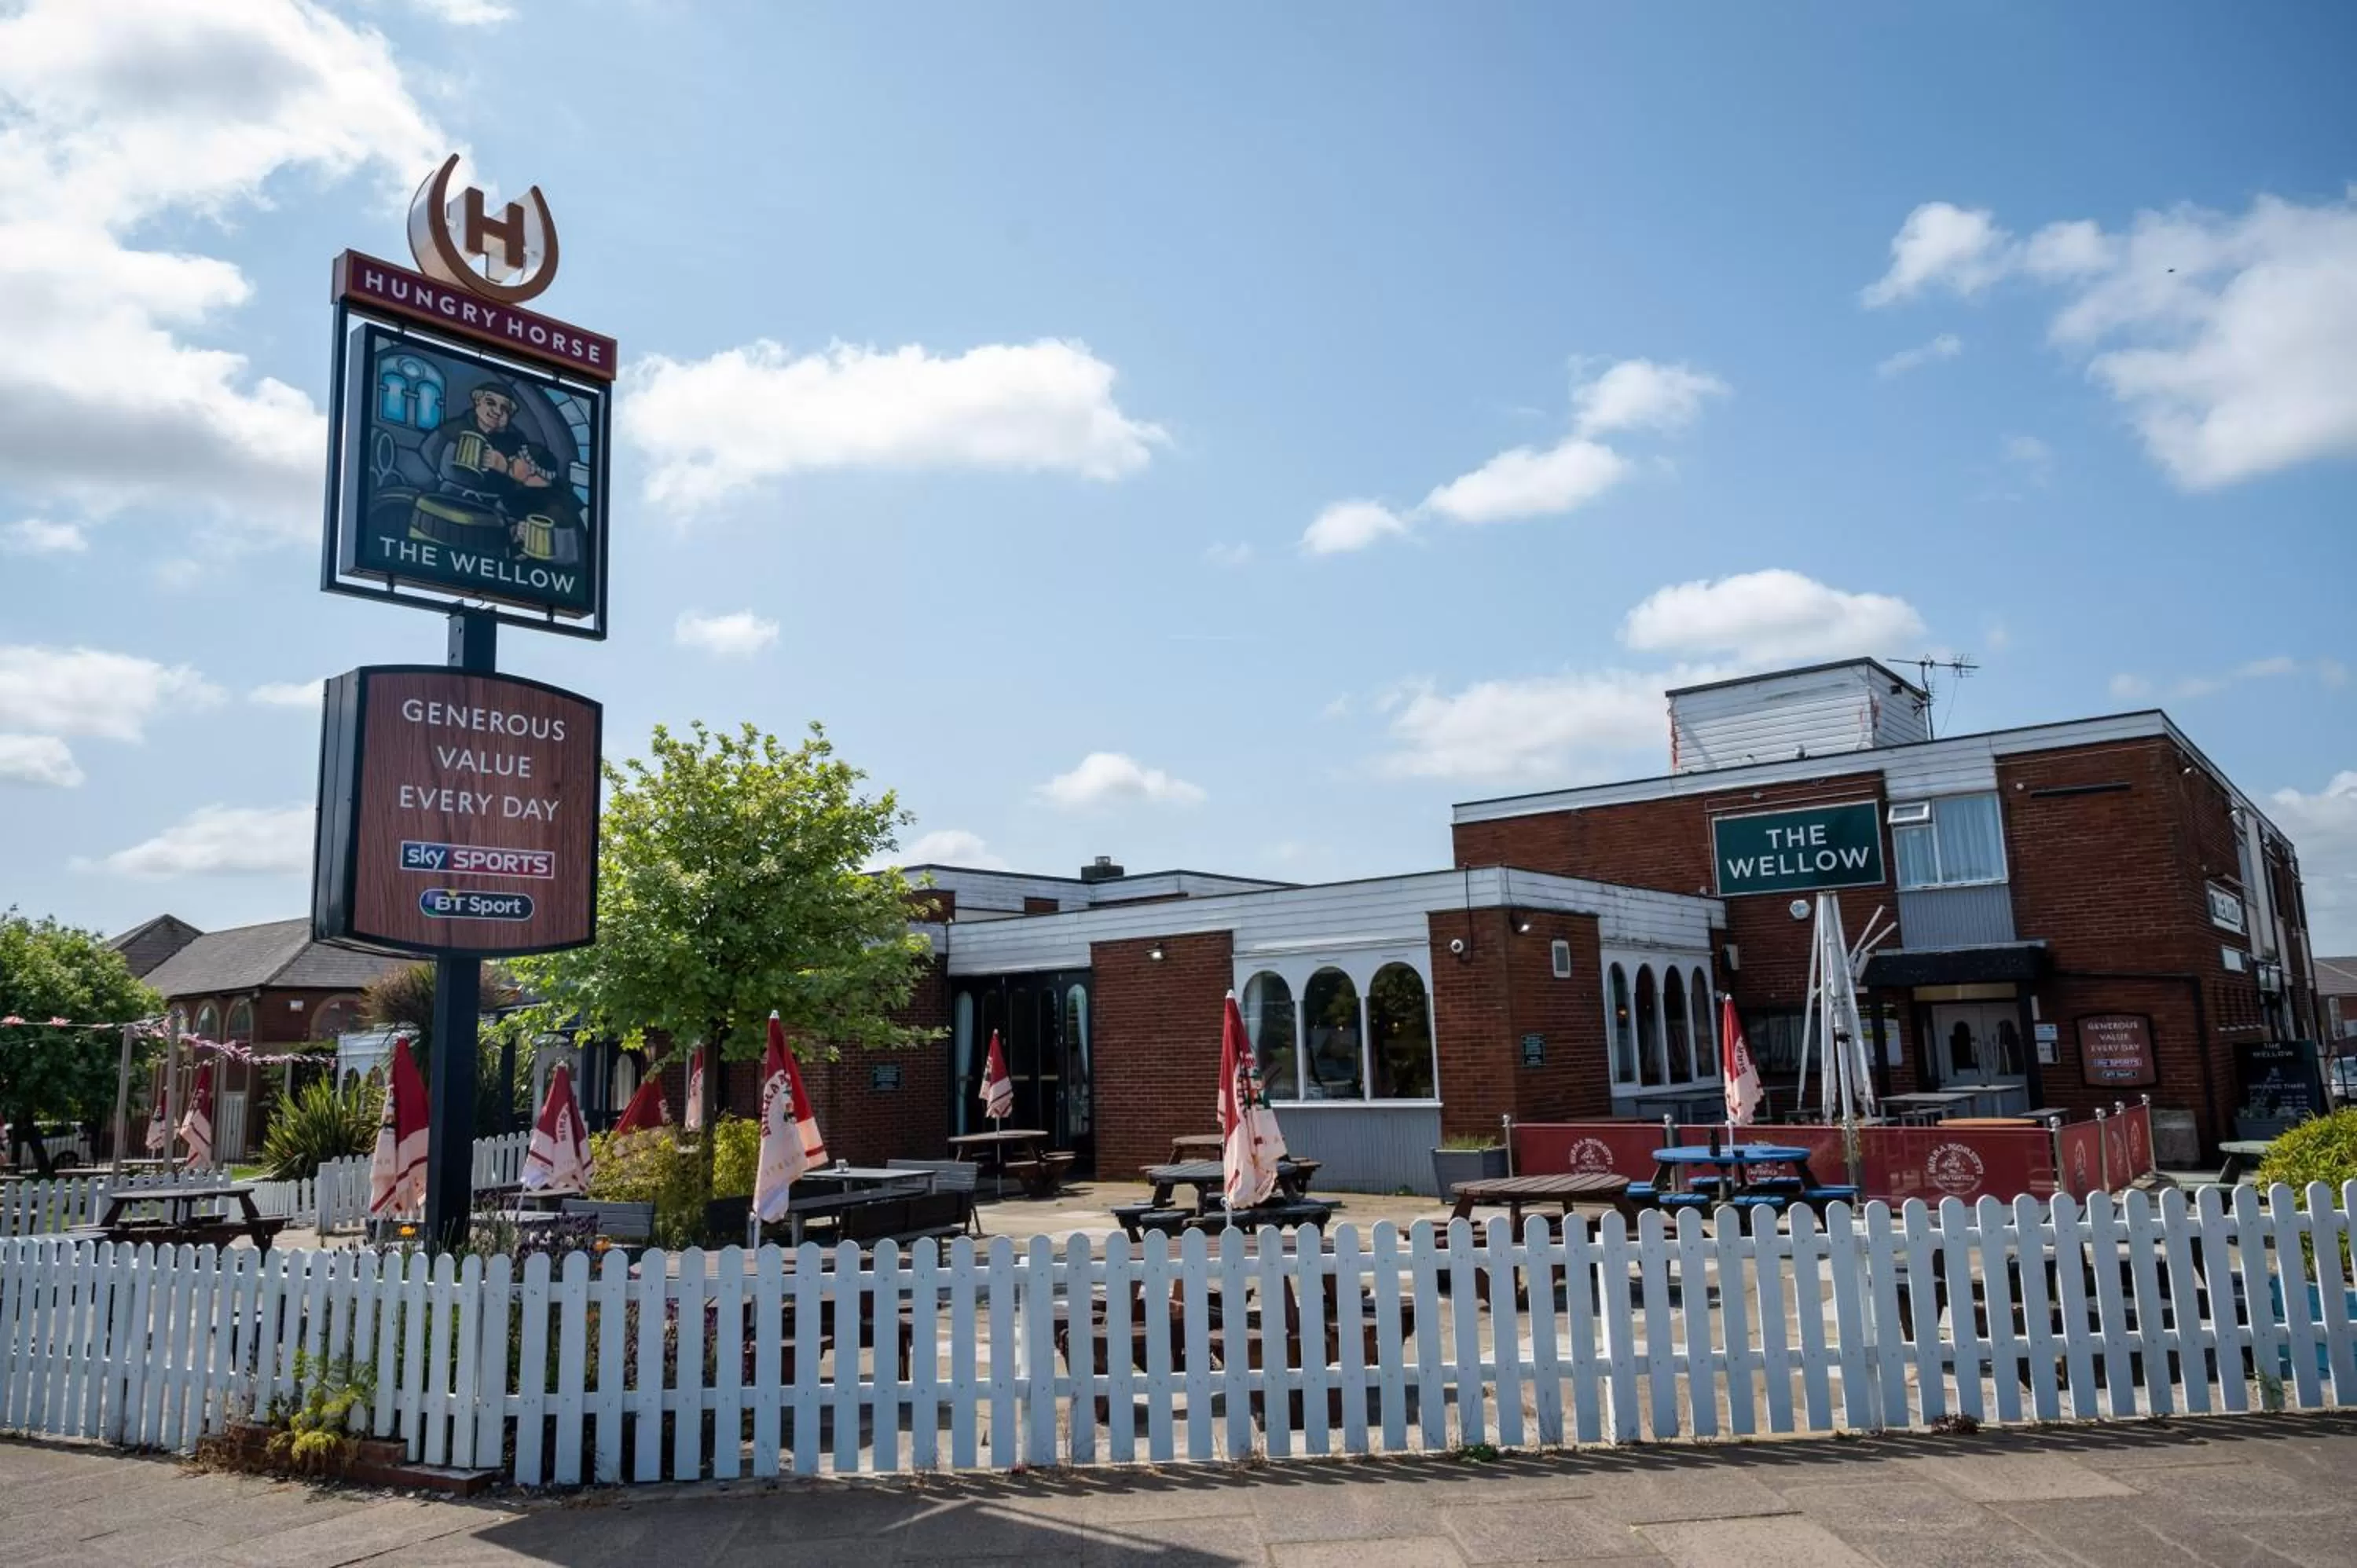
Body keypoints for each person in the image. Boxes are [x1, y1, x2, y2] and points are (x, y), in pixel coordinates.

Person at [419, 380, 583, 562]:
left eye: (505, 409)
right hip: (448, 501)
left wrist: (506, 468)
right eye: (491, 403)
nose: (497, 411)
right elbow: (428, 453)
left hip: (494, 515)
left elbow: (527, 488)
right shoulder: (453, 428)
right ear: (477, 401)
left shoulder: (516, 443)